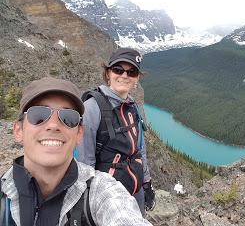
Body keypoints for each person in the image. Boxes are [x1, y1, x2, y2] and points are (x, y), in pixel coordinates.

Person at [0, 77, 151, 226]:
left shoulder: (102, 191)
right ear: (18, 130)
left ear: (79, 134)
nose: (53, 125)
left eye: (68, 118)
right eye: (38, 115)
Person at [77, 48, 155, 214]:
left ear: (137, 78)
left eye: (131, 72)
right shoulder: (92, 108)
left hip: (136, 190)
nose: (124, 76)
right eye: (118, 70)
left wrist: (146, 183)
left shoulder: (132, 106)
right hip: (108, 198)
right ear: (108, 73)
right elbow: (85, 159)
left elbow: (140, 148)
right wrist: (88, 199)